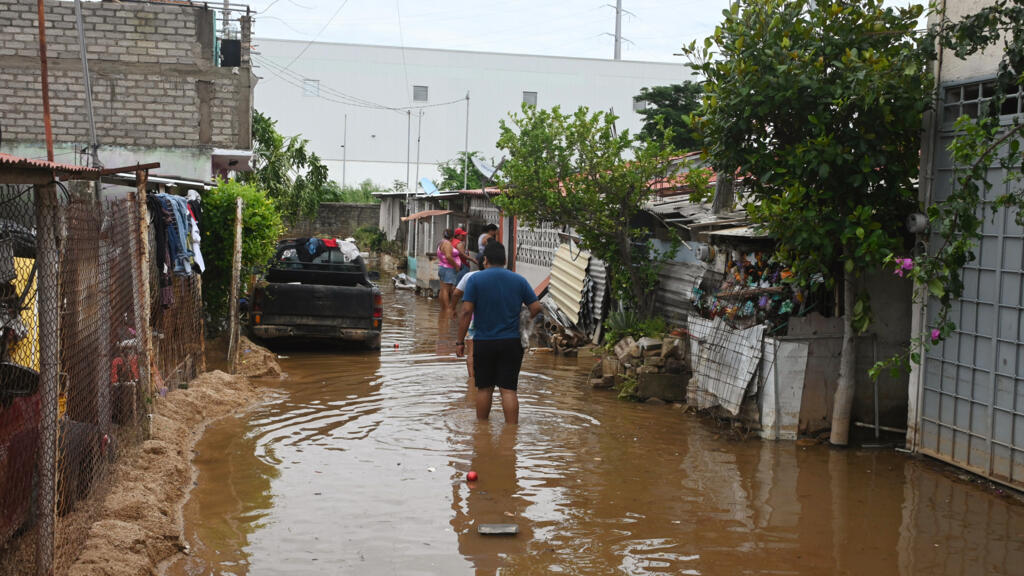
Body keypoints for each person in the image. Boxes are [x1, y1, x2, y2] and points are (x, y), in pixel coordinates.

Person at [456, 241, 542, 424]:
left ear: (485, 260)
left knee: (484, 388)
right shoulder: (518, 280)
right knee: (509, 389)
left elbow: (465, 312)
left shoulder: (475, 280)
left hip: (484, 341)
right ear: (505, 260)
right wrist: (523, 322)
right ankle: (511, 433)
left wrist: (460, 342)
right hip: (512, 342)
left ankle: (481, 431)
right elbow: (536, 307)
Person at [452, 269, 478, 400]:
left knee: (472, 352)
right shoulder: (502, 277)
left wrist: (452, 308)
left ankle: (472, 383)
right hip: (494, 321)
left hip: (473, 318)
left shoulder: (470, 276)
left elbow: (456, 293)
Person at [437, 229, 462, 314]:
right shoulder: (447, 244)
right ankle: (447, 310)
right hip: (448, 269)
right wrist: (456, 266)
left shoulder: (442, 242)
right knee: (446, 290)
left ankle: (443, 309)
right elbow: (448, 256)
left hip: (442, 267)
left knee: (443, 289)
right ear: (452, 237)